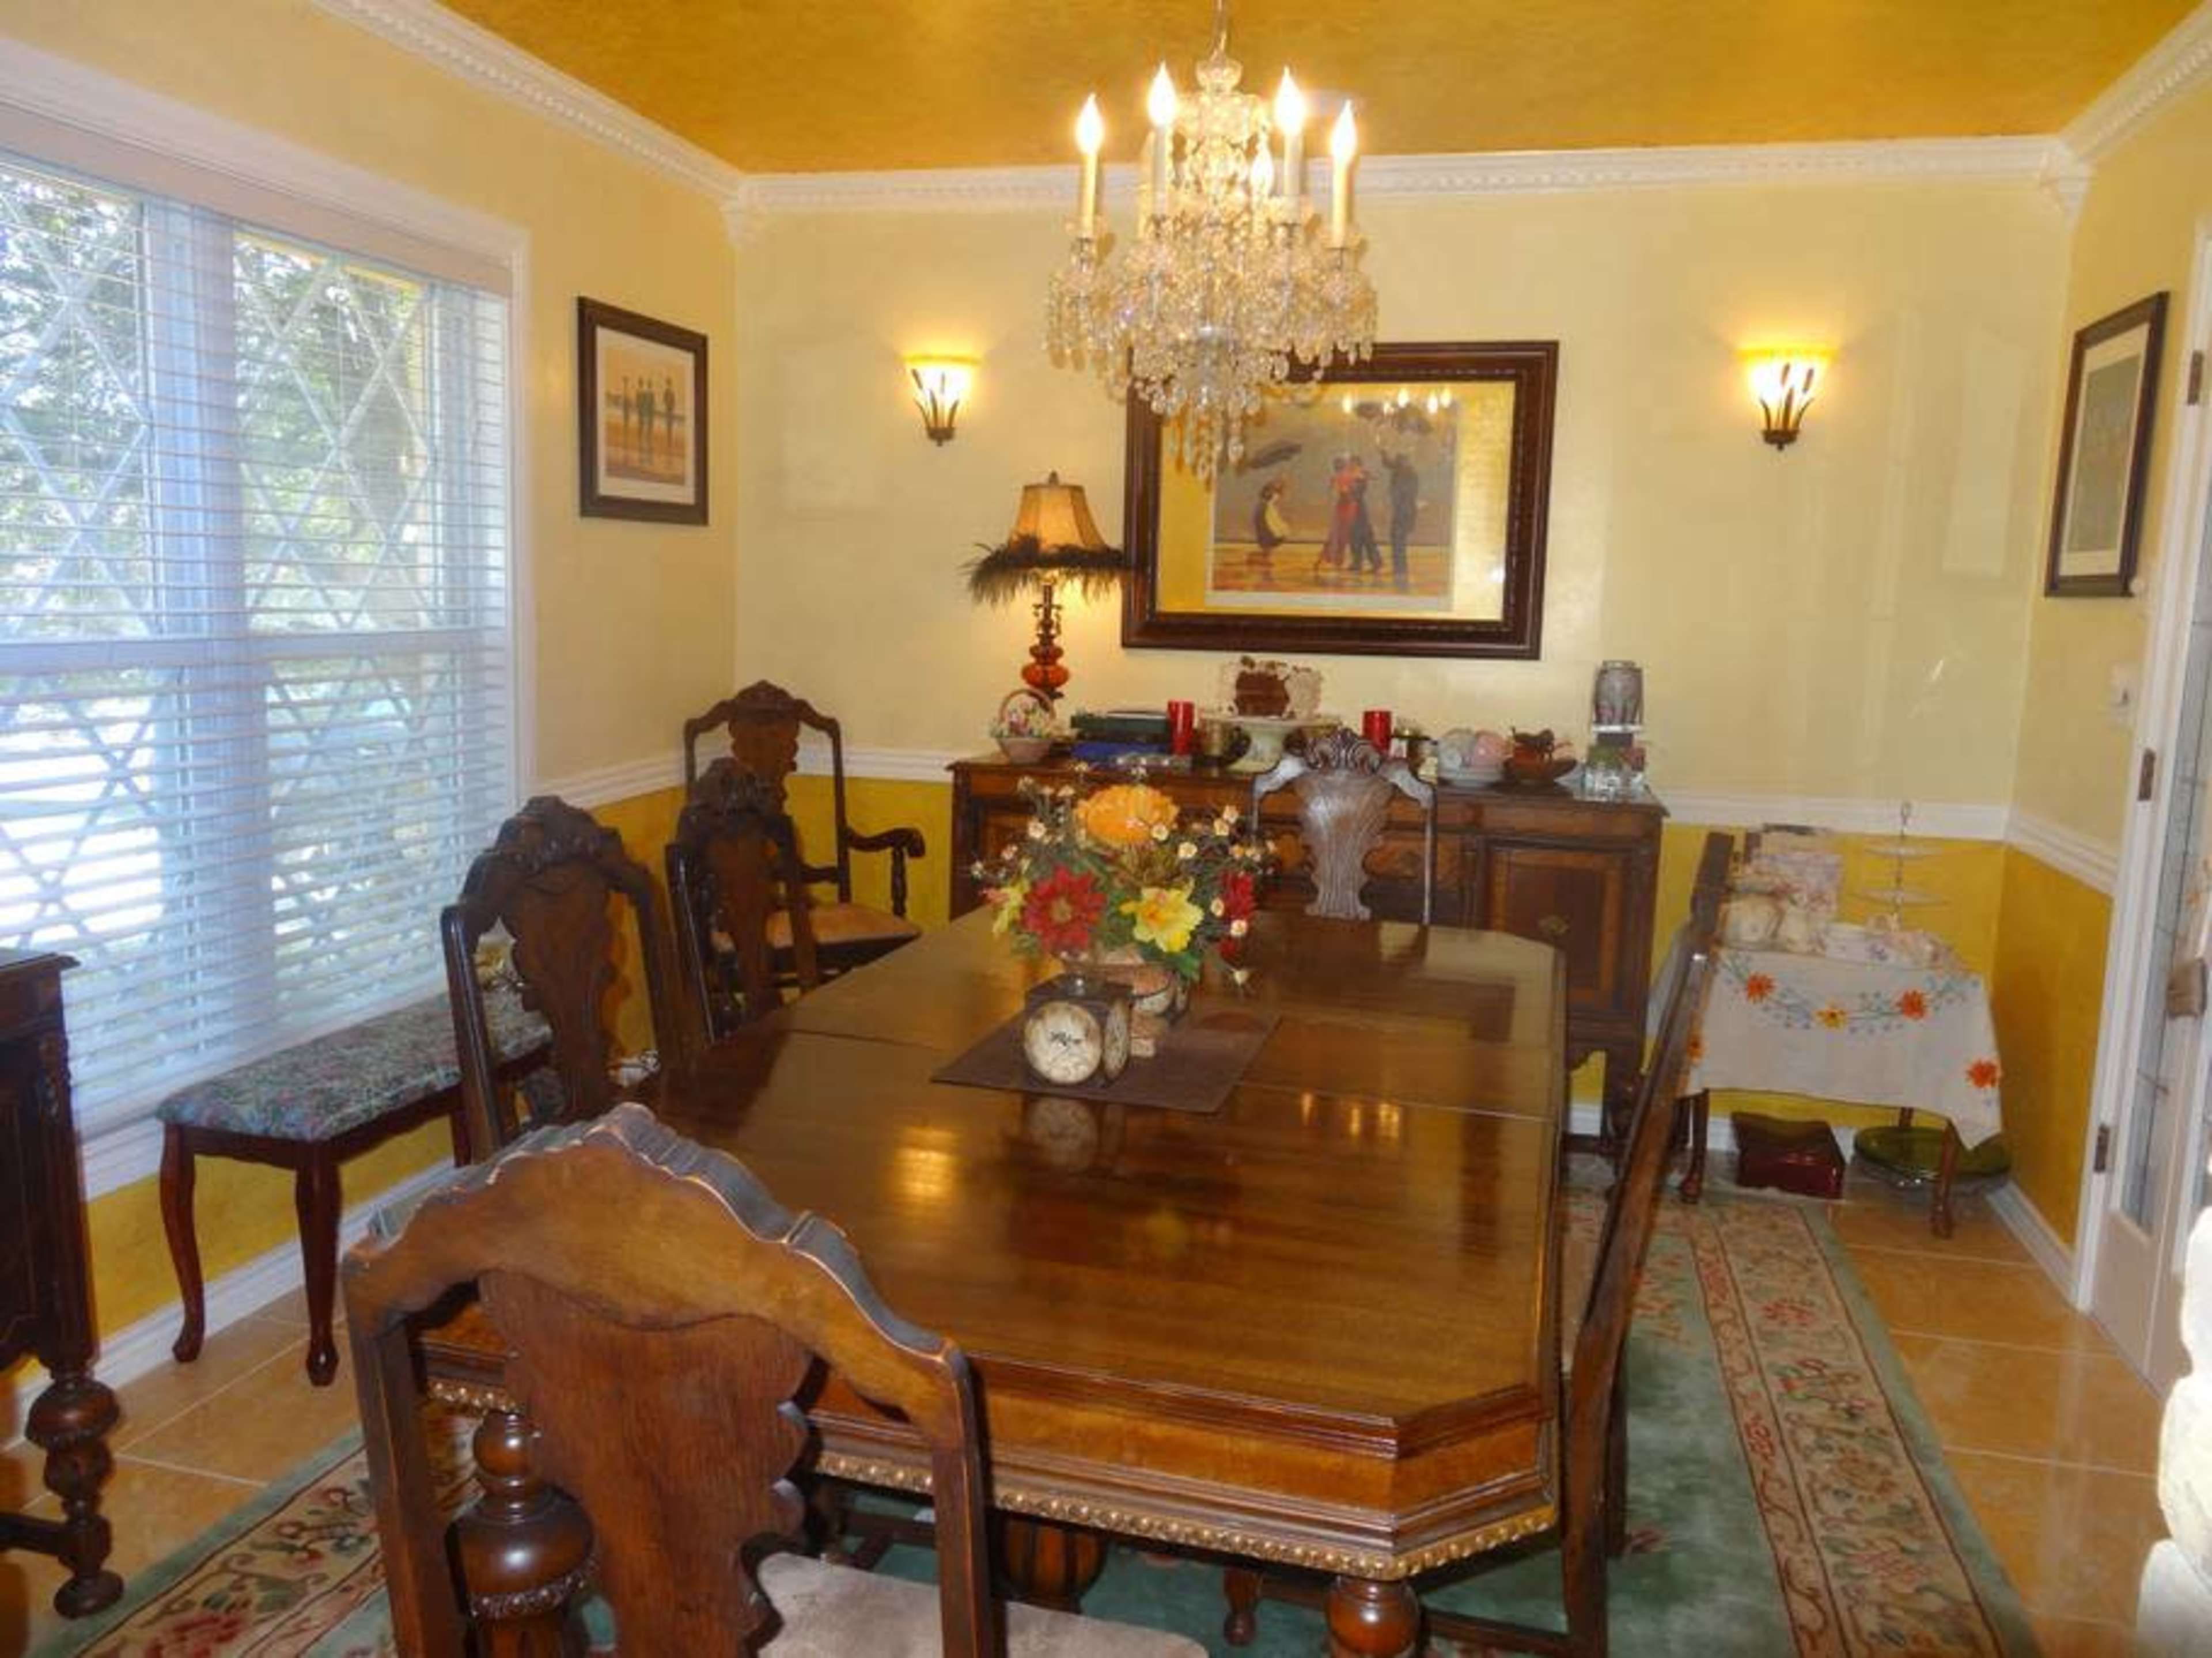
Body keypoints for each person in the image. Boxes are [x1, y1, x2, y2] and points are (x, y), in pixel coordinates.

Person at [1384, 453, 1419, 589]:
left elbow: (1400, 496)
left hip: (1403, 513)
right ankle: (1400, 570)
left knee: (1398, 541)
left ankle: (1400, 571)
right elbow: (1389, 463)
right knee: (1398, 541)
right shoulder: (1408, 473)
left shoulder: (1405, 475)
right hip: (1404, 512)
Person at [1317, 456, 1355, 578]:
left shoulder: (1337, 478)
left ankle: (1324, 559)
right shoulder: (1347, 477)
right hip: (1347, 508)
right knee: (1342, 536)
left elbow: (1333, 493)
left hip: (1342, 508)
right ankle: (1336, 562)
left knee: (1335, 535)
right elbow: (1346, 494)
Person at [1250, 479, 1289, 585]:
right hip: (1266, 531)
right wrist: (1280, 530)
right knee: (1268, 545)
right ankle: (1263, 559)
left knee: (1267, 547)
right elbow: (1271, 520)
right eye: (1277, 495)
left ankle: (1263, 559)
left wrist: (1282, 528)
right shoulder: (1266, 506)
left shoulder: (1265, 505)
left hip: (1265, 530)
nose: (1278, 498)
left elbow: (1273, 519)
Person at [1347, 458, 1381, 575]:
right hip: (1353, 508)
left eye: (1353, 463)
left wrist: (1358, 478)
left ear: (1358, 464)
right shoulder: (1355, 475)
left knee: (1366, 537)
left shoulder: (1360, 476)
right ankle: (1357, 562)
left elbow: (1357, 491)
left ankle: (1375, 562)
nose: (1350, 465)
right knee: (1354, 536)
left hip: (1359, 509)